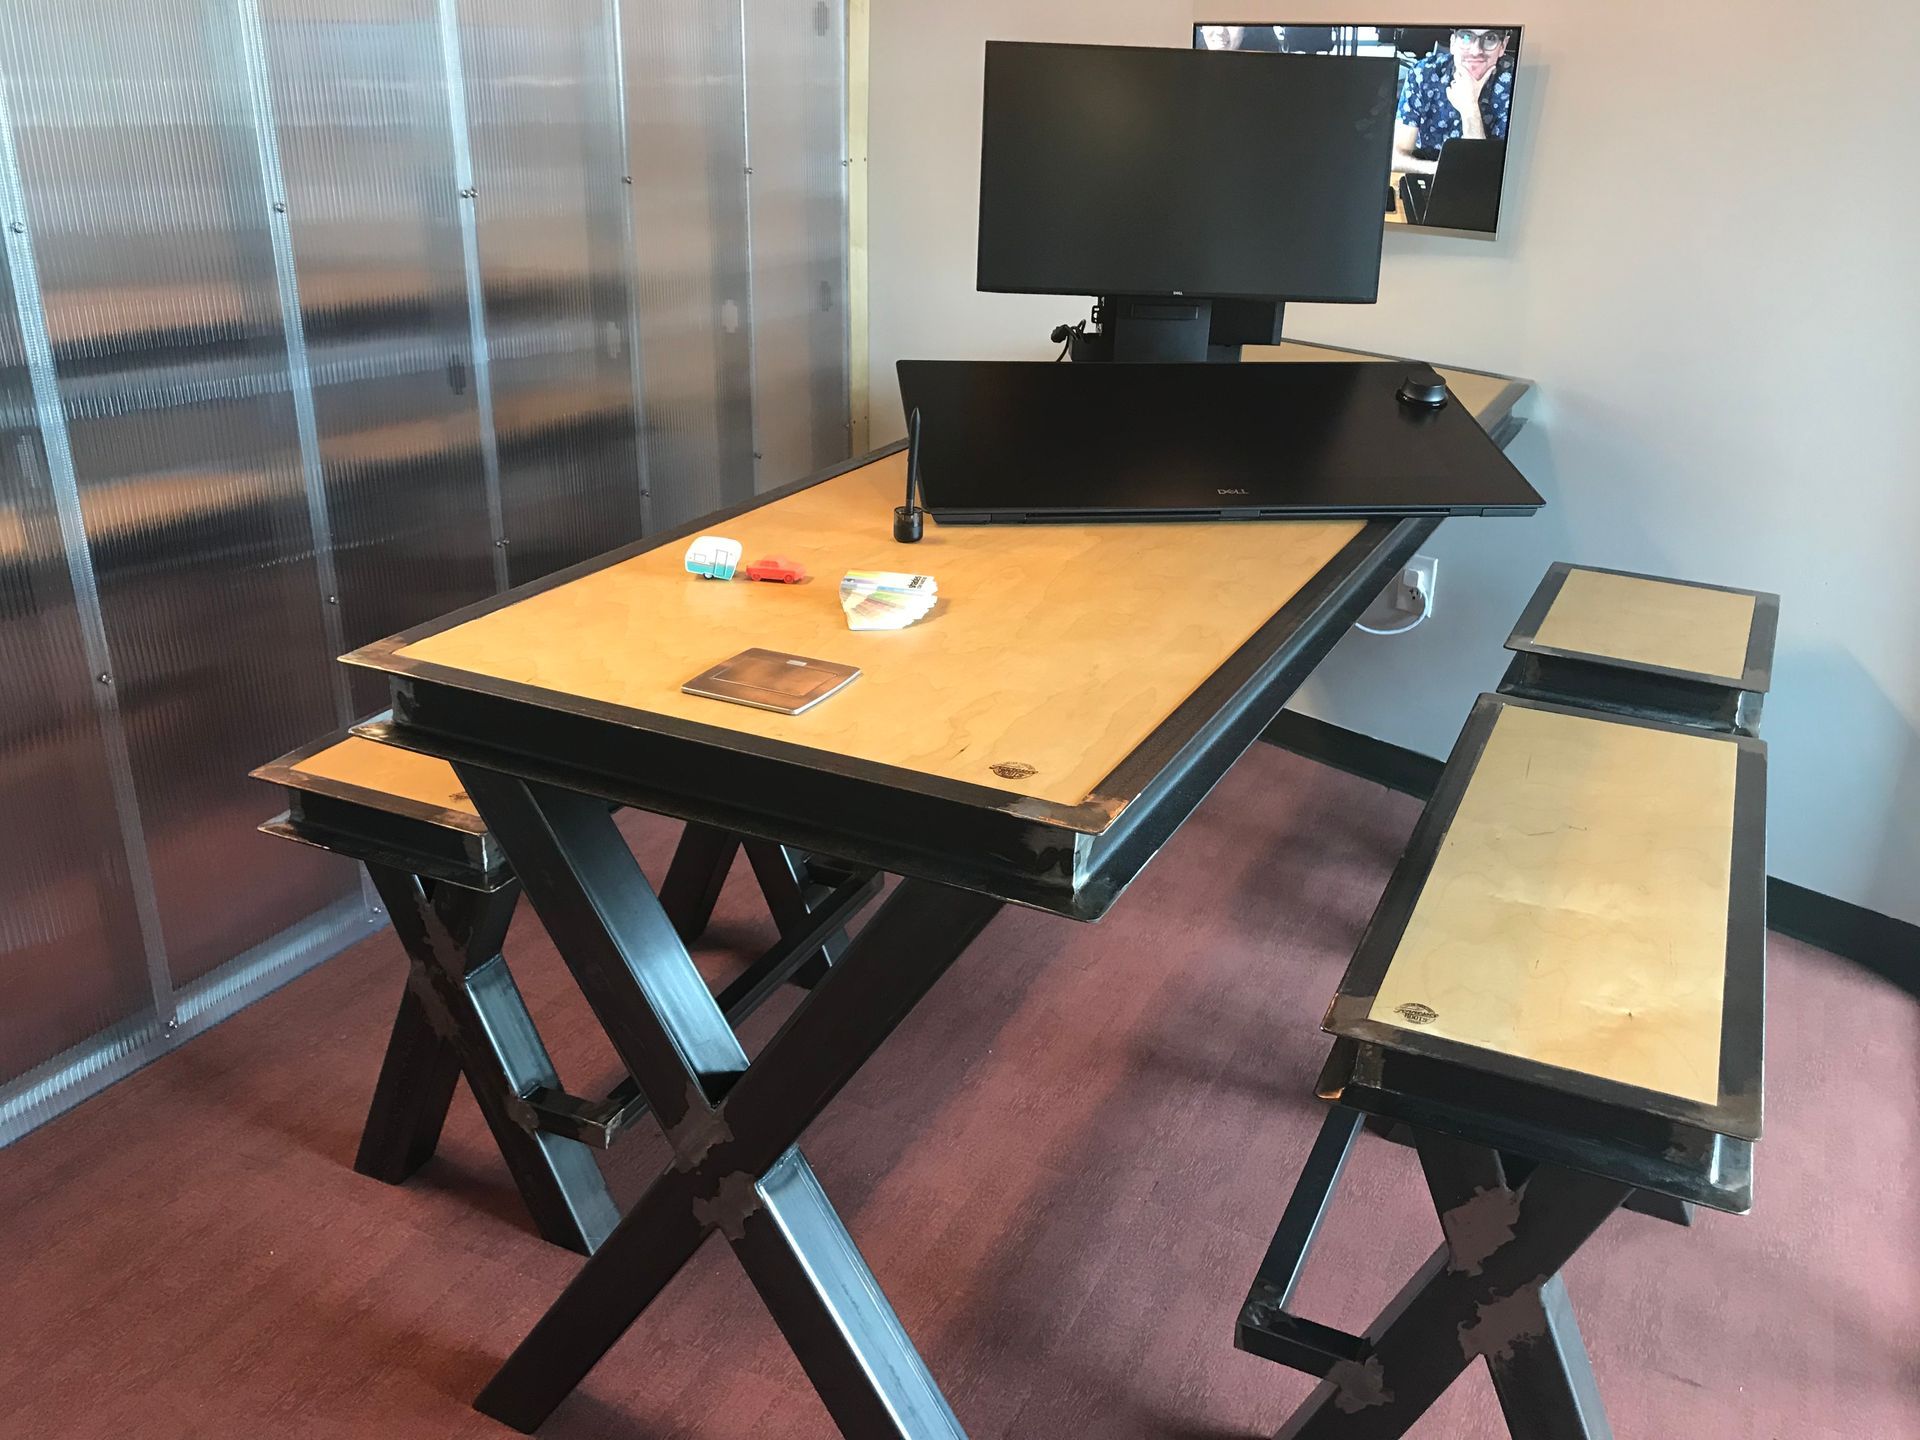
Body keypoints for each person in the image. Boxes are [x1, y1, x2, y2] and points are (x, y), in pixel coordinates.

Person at [1391, 27, 1516, 176]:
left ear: (1503, 46)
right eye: (1466, 37)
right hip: (1428, 172)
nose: (1476, 51)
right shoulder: (1424, 73)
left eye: (1490, 39)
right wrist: (1442, 170)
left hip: (1484, 185)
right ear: (1453, 43)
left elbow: (1485, 172)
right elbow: (1396, 157)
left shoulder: (1515, 83)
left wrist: (1470, 108)